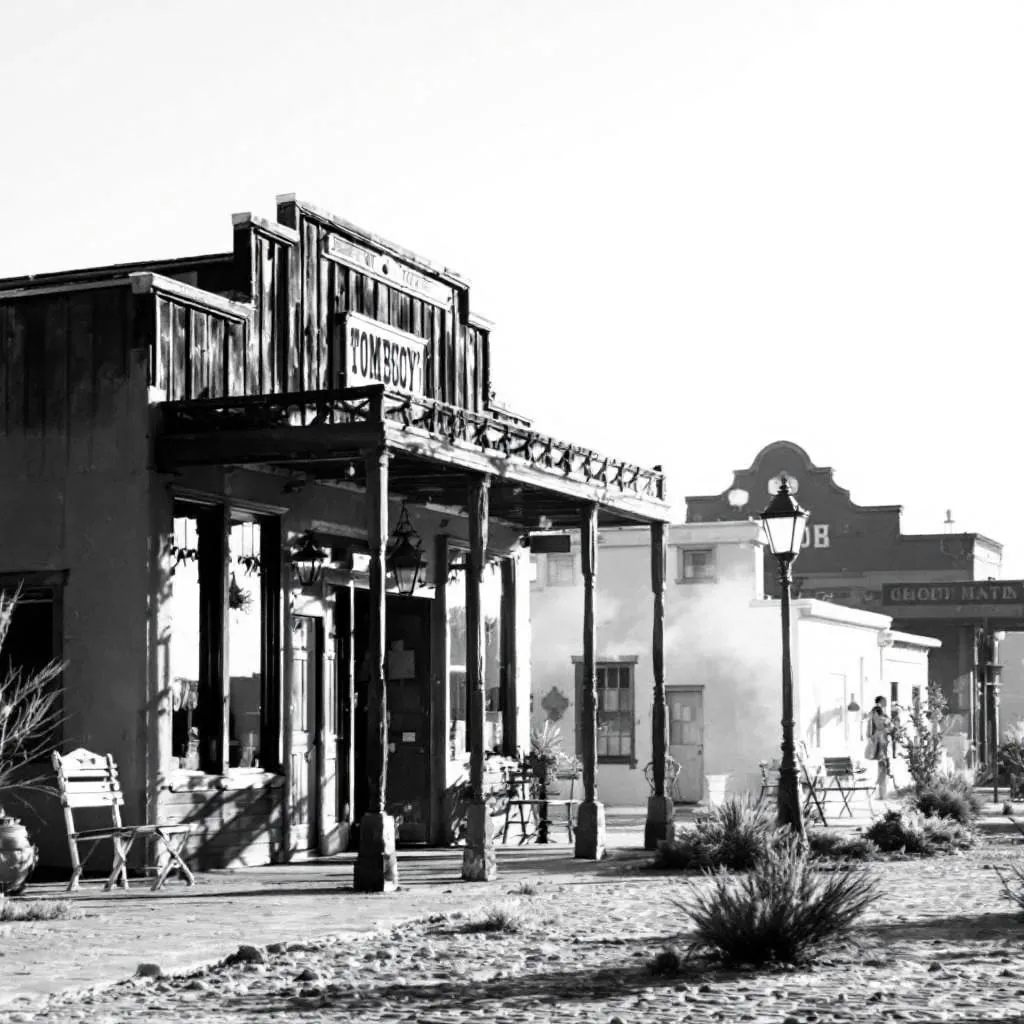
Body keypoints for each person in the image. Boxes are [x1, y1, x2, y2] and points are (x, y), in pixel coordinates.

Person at [866, 696, 891, 799]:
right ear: (880, 701)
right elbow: (880, 725)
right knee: (882, 764)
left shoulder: (878, 711)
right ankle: (881, 793)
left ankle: (882, 792)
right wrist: (887, 722)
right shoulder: (876, 710)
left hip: (882, 739)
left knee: (883, 765)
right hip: (880, 740)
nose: (886, 702)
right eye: (884, 700)